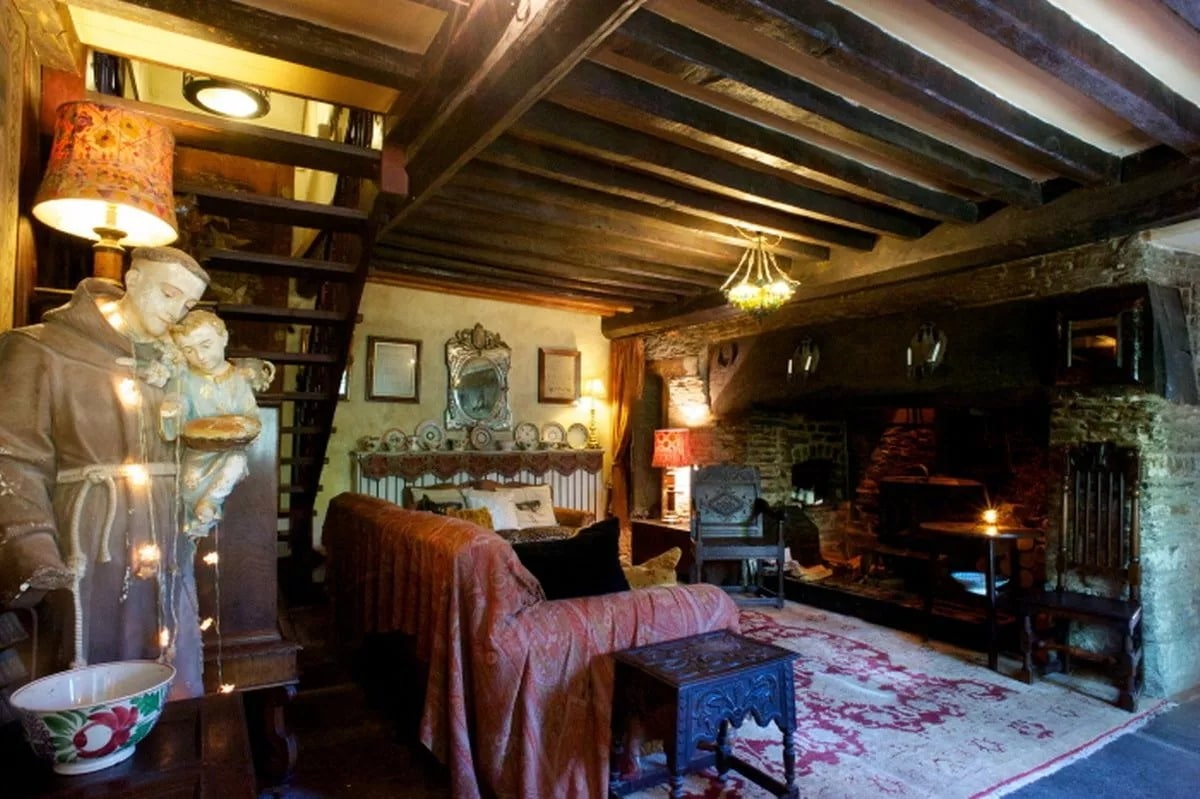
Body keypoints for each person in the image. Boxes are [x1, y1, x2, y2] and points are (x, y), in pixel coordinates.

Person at [0, 246, 209, 699]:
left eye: (188, 304)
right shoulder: (42, 348)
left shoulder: (176, 362)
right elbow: (12, 455)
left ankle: (169, 726)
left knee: (169, 651)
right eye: (168, 293)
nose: (176, 312)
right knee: (92, 665)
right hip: (90, 539)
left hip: (165, 535)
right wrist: (31, 546)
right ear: (133, 280)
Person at [169, 310, 262, 539]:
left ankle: (211, 503)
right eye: (189, 350)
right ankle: (195, 522)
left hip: (231, 448)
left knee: (235, 463)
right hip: (197, 450)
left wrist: (249, 429)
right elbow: (179, 404)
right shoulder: (186, 378)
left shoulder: (238, 379)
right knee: (189, 485)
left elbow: (250, 414)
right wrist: (174, 409)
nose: (200, 356)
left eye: (206, 345)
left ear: (223, 338)